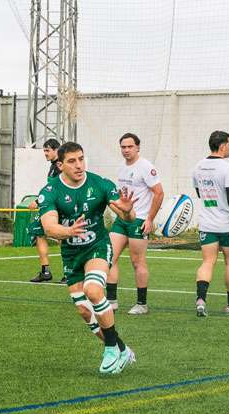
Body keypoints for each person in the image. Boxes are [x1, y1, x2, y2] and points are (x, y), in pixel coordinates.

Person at [38, 141, 137, 374]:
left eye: (81, 159)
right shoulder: (50, 191)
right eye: (72, 161)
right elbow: (50, 227)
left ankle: (110, 349)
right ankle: (122, 349)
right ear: (60, 165)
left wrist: (127, 210)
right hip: (71, 254)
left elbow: (128, 217)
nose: (79, 165)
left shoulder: (100, 184)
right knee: (84, 310)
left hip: (98, 247)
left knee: (93, 291)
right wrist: (68, 231)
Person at [192, 130, 229, 317]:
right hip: (226, 225)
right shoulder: (227, 168)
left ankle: (201, 300)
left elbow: (199, 193)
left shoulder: (198, 167)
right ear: (223, 146)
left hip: (207, 224)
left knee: (207, 262)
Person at [107, 133, 164, 315]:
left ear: (137, 147)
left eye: (130, 146)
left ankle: (142, 304)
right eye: (123, 147)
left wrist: (149, 219)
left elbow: (159, 192)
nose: (126, 150)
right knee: (109, 258)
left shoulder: (146, 167)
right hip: (122, 219)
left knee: (137, 261)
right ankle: (111, 301)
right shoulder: (121, 167)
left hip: (139, 220)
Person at [28, 138, 66, 283]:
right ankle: (45, 271)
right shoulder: (53, 166)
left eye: (47, 150)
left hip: (59, 208)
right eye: (44, 150)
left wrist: (38, 201)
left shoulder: (61, 166)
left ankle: (69, 273)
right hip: (49, 207)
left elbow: (58, 188)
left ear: (56, 150)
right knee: (39, 233)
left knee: (62, 238)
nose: (45, 153)